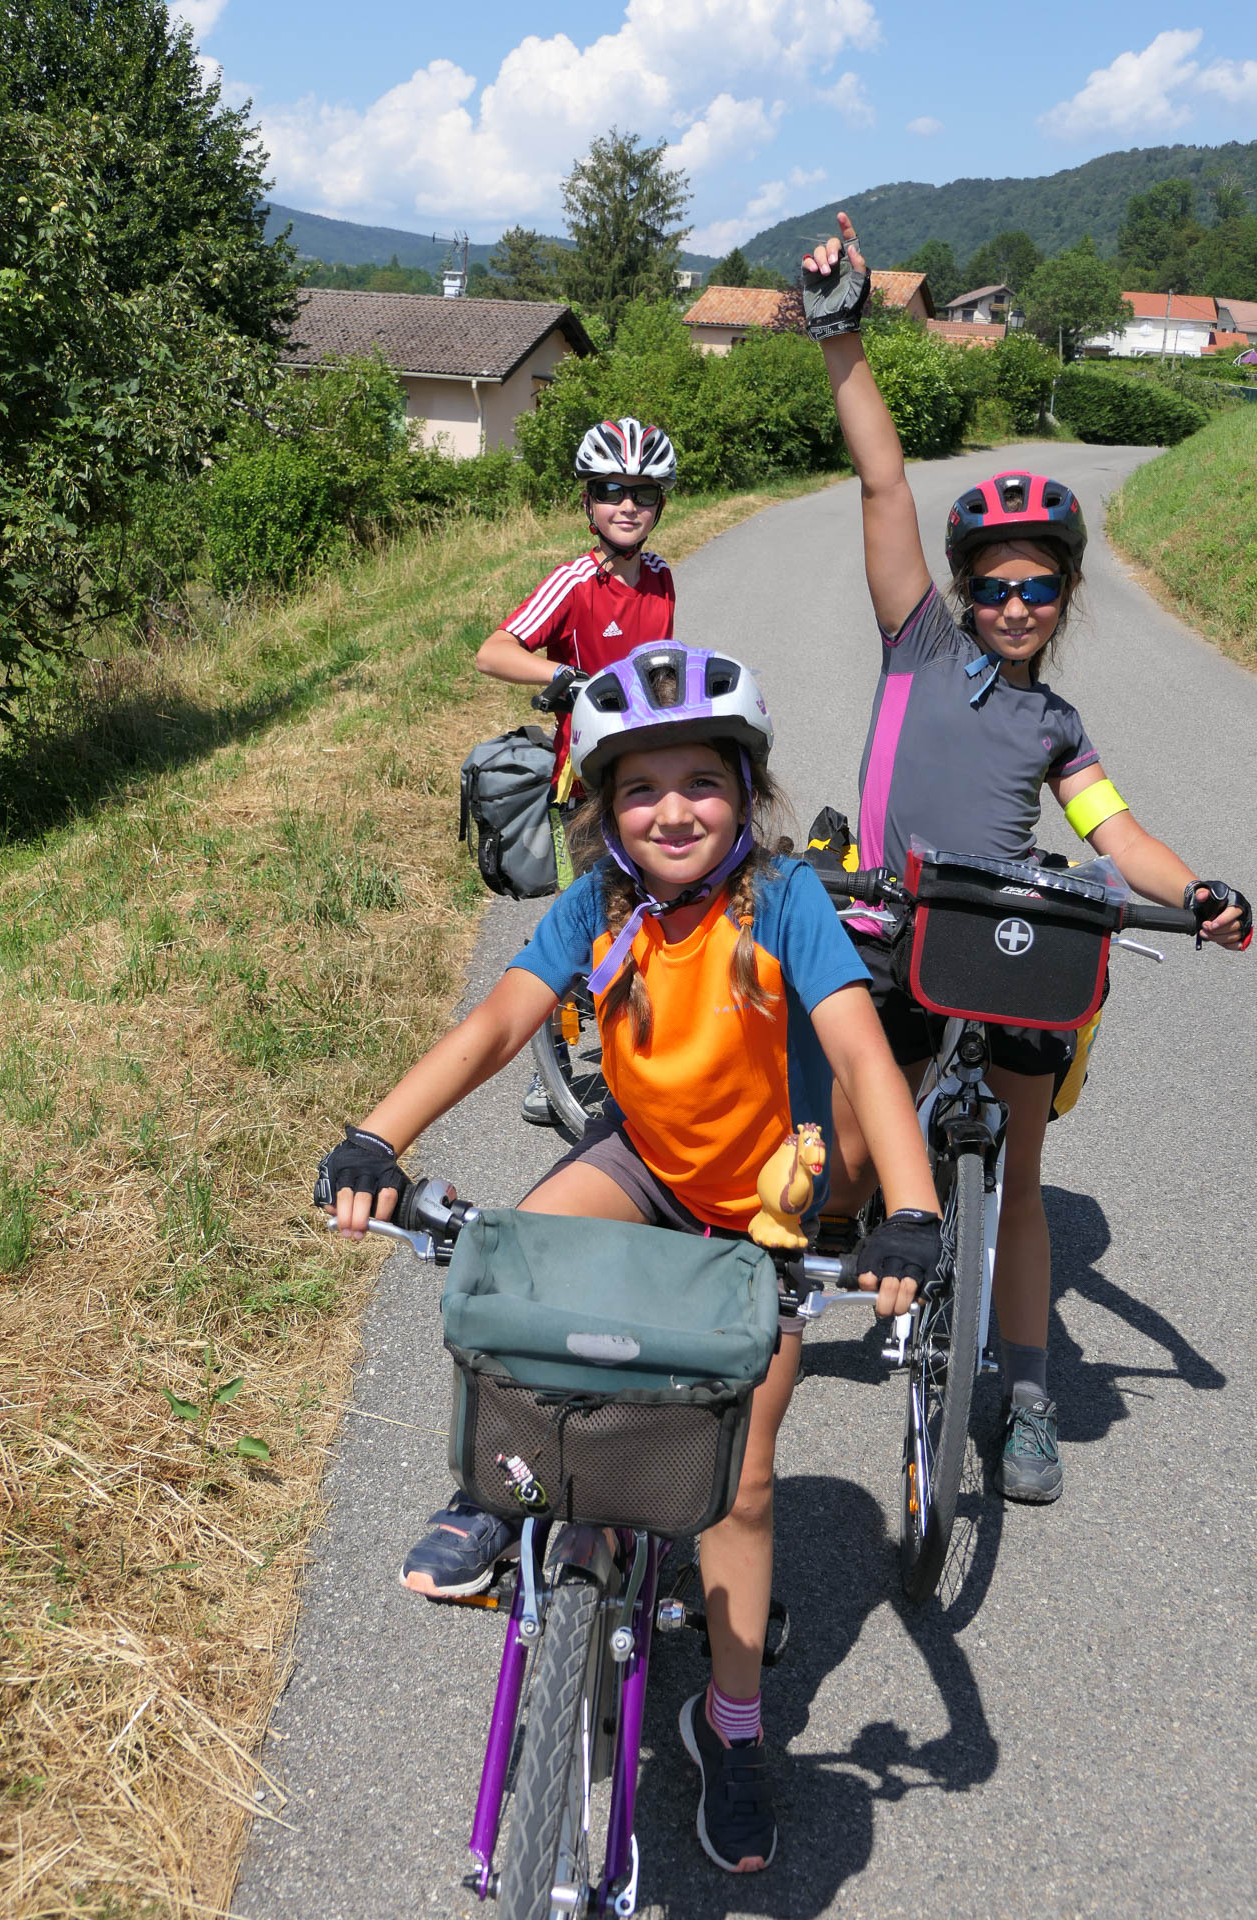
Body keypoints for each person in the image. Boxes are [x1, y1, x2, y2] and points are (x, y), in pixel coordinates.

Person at [319, 641, 943, 1874]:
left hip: (763, 1212)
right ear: (604, 808)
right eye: (640, 788)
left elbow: (862, 1056)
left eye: (700, 782)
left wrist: (909, 1210)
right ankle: (495, 1498)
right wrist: (377, 1136)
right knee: (514, 1261)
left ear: (745, 792)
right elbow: (498, 1022)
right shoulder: (597, 903)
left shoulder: (782, 900)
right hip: (646, 1165)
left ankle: (732, 1727)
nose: (671, 811)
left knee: (741, 1484)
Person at [802, 211, 1252, 1506]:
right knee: (846, 1156)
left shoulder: (1058, 726)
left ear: (1063, 598)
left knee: (1020, 1177)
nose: (1011, 606)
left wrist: (1196, 891)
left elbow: (1117, 834)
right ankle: (792, 1278)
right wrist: (841, 339)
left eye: (1035, 589)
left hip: (997, 945)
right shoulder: (917, 646)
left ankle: (1030, 1396)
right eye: (992, 587)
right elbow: (883, 482)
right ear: (963, 592)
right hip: (889, 929)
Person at [474, 417, 678, 1123]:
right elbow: (494, 651)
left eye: (643, 493)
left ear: (660, 504)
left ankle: (643, 1045)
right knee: (586, 918)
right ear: (588, 501)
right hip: (585, 787)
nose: (627, 505)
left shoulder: (661, 578)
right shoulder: (574, 581)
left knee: (654, 910)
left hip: (647, 777)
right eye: (611, 490)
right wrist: (562, 676)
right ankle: (551, 1065)